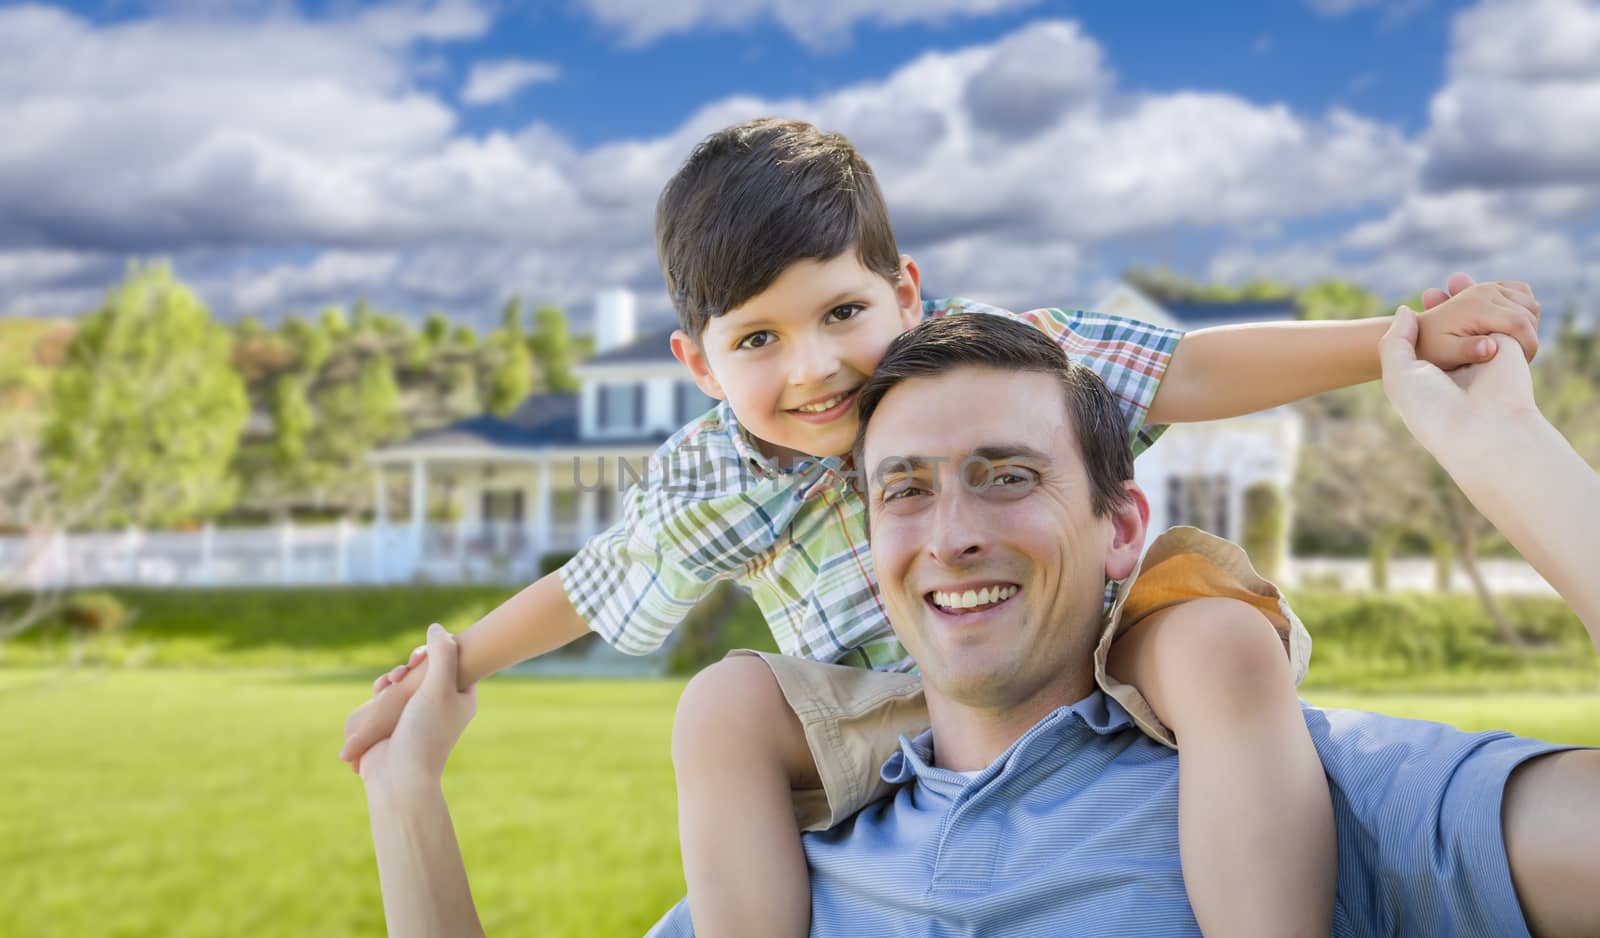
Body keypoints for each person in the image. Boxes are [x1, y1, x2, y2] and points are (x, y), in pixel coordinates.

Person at [342, 118, 1542, 938]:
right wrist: (449, 666)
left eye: (841, 312)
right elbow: (596, 585)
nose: (813, 368)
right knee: (719, 705)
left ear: (905, 292)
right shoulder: (711, 476)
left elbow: (1189, 366)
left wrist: (1398, 340)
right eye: (757, 339)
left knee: (1216, 642)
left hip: (1097, 632)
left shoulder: (1003, 361)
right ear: (697, 366)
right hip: (884, 705)